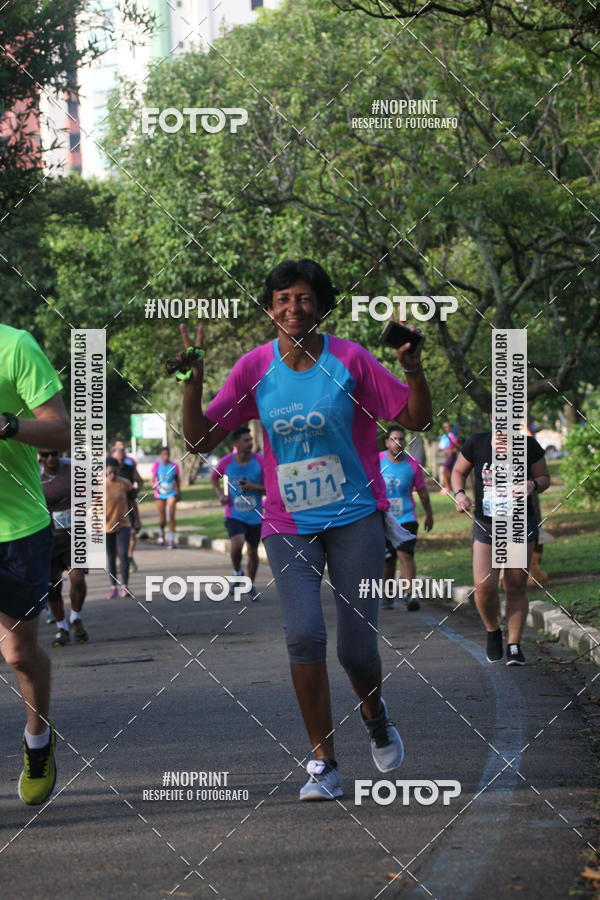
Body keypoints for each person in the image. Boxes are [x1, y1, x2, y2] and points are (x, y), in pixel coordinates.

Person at [175, 258, 432, 801]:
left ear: (322, 307)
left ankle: (375, 714)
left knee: (356, 652)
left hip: (355, 517)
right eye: (283, 299)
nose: (294, 308)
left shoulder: (351, 360)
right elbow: (200, 440)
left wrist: (413, 368)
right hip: (287, 522)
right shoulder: (253, 368)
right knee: (303, 634)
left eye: (305, 298)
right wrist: (191, 387)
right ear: (270, 310)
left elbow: (415, 419)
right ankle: (324, 762)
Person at [0, 323, 70, 805]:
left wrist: (8, 424)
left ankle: (38, 741)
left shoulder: (15, 346)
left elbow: (61, 430)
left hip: (17, 529)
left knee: (19, 655)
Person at [451, 419, 550, 666]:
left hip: (519, 524)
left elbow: (544, 478)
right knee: (484, 586)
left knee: (515, 585)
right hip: (487, 525)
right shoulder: (476, 443)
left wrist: (533, 484)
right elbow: (458, 472)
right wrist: (460, 494)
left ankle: (514, 645)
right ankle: (492, 629)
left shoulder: (528, 445)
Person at [379, 426, 433, 611]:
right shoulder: (377, 461)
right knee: (388, 559)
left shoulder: (413, 464)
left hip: (406, 516)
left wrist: (429, 515)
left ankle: (410, 593)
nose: (398, 443)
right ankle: (387, 594)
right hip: (384, 518)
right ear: (387, 442)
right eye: (394, 439)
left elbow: (423, 492)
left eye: (401, 439)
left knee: (405, 554)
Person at [39, 450, 88, 646]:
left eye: (54, 453)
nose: (50, 458)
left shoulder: (72, 467)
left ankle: (75, 618)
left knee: (77, 577)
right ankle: (62, 627)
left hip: (74, 535)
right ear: (40, 457)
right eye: (45, 455)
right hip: (49, 537)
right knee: (53, 585)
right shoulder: (36, 474)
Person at [211, 426, 265, 601]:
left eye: (251, 440)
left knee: (252, 551)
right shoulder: (227, 461)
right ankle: (237, 572)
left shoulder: (260, 461)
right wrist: (221, 495)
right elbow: (214, 477)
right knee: (237, 543)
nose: (250, 443)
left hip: (255, 515)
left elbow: (270, 487)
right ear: (236, 443)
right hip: (234, 513)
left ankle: (251, 584)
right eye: (246, 440)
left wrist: (253, 486)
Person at [105, 456, 141, 598]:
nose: (112, 475)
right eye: (109, 472)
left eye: (114, 472)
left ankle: (124, 586)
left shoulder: (125, 483)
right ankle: (113, 586)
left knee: (124, 554)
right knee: (111, 556)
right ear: (104, 471)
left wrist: (137, 520)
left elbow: (133, 502)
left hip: (123, 524)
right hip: (105, 526)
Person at [111, 442, 143, 572]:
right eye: (118, 459)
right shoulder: (109, 471)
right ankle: (122, 561)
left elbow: (140, 481)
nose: (121, 461)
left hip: (128, 506)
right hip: (112, 510)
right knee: (115, 537)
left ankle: (129, 557)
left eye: (123, 459)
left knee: (133, 534)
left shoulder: (130, 468)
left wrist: (136, 491)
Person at [151, 447, 181, 549]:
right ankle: (161, 533)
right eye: (163, 454)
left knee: (171, 516)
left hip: (171, 493)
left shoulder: (174, 466)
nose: (165, 456)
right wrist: (156, 488)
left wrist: (179, 492)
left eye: (167, 454)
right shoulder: (157, 465)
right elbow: (152, 480)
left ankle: (171, 540)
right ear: (161, 455)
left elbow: (177, 480)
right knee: (162, 517)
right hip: (160, 494)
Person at [438, 421, 459, 493]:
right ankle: (450, 488)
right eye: (445, 427)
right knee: (449, 472)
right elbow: (440, 449)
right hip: (447, 456)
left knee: (444, 471)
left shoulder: (451, 436)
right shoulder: (444, 436)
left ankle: (447, 488)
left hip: (451, 456)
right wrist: (446, 451)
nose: (446, 428)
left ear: (450, 427)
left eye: (447, 427)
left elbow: (457, 446)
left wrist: (451, 450)